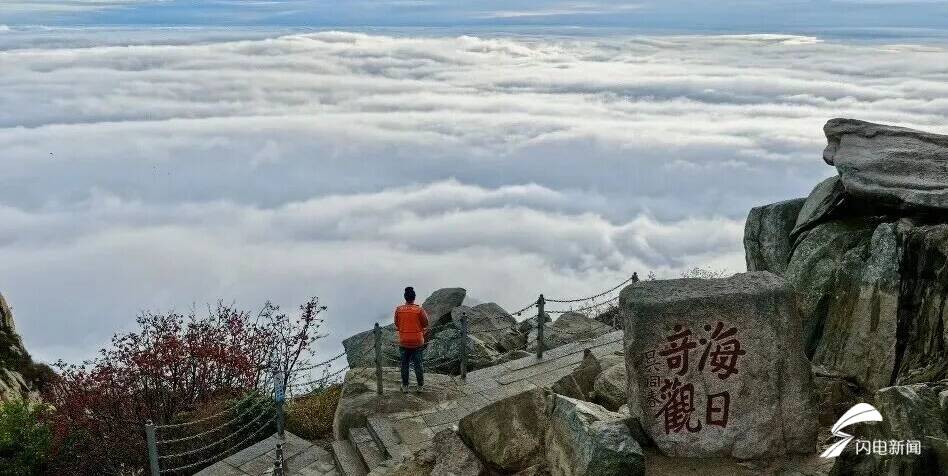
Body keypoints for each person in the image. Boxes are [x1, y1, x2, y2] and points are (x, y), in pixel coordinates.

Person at [394, 286, 429, 392]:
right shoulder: (419, 310)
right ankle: (420, 386)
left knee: (404, 364)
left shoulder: (399, 309)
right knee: (418, 364)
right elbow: (426, 323)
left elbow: (396, 323)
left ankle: (405, 386)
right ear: (414, 298)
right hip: (417, 342)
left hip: (404, 341)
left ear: (405, 298)